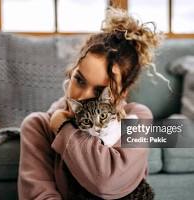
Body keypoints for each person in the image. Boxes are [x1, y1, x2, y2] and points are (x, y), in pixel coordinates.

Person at [18, 6, 163, 200]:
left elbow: (106, 182)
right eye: (79, 80)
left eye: (99, 90)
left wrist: (63, 128)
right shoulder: (38, 126)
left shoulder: (138, 117)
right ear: (72, 71)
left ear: (121, 94)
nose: (82, 96)